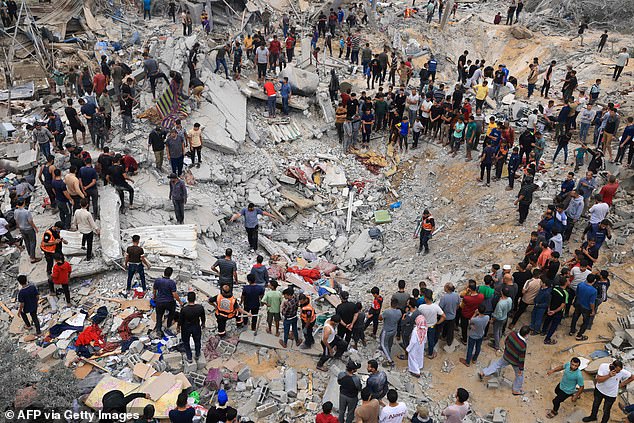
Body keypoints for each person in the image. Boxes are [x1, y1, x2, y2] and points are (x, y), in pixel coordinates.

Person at [479, 325, 530, 395]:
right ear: (526, 334)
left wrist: (507, 350)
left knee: (497, 364)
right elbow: (521, 358)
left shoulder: (512, 334)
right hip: (515, 362)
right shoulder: (523, 345)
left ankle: (483, 372)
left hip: (506, 356)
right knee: (519, 375)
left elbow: (506, 341)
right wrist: (521, 369)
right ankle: (516, 390)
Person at [153, 267, 182, 336]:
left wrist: (154, 296)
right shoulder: (172, 283)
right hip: (169, 302)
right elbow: (174, 294)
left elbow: (154, 290)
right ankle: (168, 325)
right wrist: (180, 302)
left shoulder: (157, 280)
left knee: (159, 316)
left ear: (164, 272)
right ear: (171, 274)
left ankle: (158, 330)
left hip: (159, 301)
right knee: (171, 313)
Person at [569, 273, 597, 341]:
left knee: (575, 317)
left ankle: (572, 330)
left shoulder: (580, 284)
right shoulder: (594, 291)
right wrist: (593, 310)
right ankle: (579, 335)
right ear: (594, 281)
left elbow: (577, 294)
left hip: (578, 304)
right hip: (586, 308)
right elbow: (591, 302)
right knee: (585, 322)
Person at [337, 359, 362, 423]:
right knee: (350, 412)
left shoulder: (341, 374)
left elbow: (339, 382)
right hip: (352, 397)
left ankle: (340, 421)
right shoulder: (356, 379)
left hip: (342, 395)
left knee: (341, 411)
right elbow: (359, 388)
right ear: (353, 370)